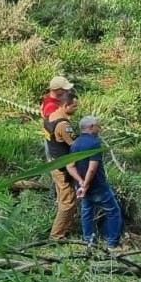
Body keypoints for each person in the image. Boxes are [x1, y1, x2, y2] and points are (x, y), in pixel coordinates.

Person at [68, 115, 124, 252]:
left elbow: (70, 166)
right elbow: (92, 168)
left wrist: (81, 183)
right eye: (98, 125)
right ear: (91, 127)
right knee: (113, 212)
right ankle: (112, 244)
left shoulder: (75, 144)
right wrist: (86, 184)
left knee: (87, 212)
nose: (99, 128)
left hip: (82, 188)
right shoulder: (93, 144)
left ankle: (88, 242)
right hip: (97, 186)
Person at [45, 92, 80, 241]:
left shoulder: (49, 117)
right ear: (65, 106)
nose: (76, 109)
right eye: (74, 106)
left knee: (63, 198)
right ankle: (56, 235)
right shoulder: (63, 125)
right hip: (63, 168)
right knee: (68, 201)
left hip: (54, 162)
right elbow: (75, 145)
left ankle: (66, 227)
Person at [41, 76, 74, 160]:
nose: (68, 91)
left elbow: (41, 109)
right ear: (57, 90)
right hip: (55, 141)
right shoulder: (51, 107)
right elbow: (54, 125)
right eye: (64, 89)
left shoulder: (49, 96)